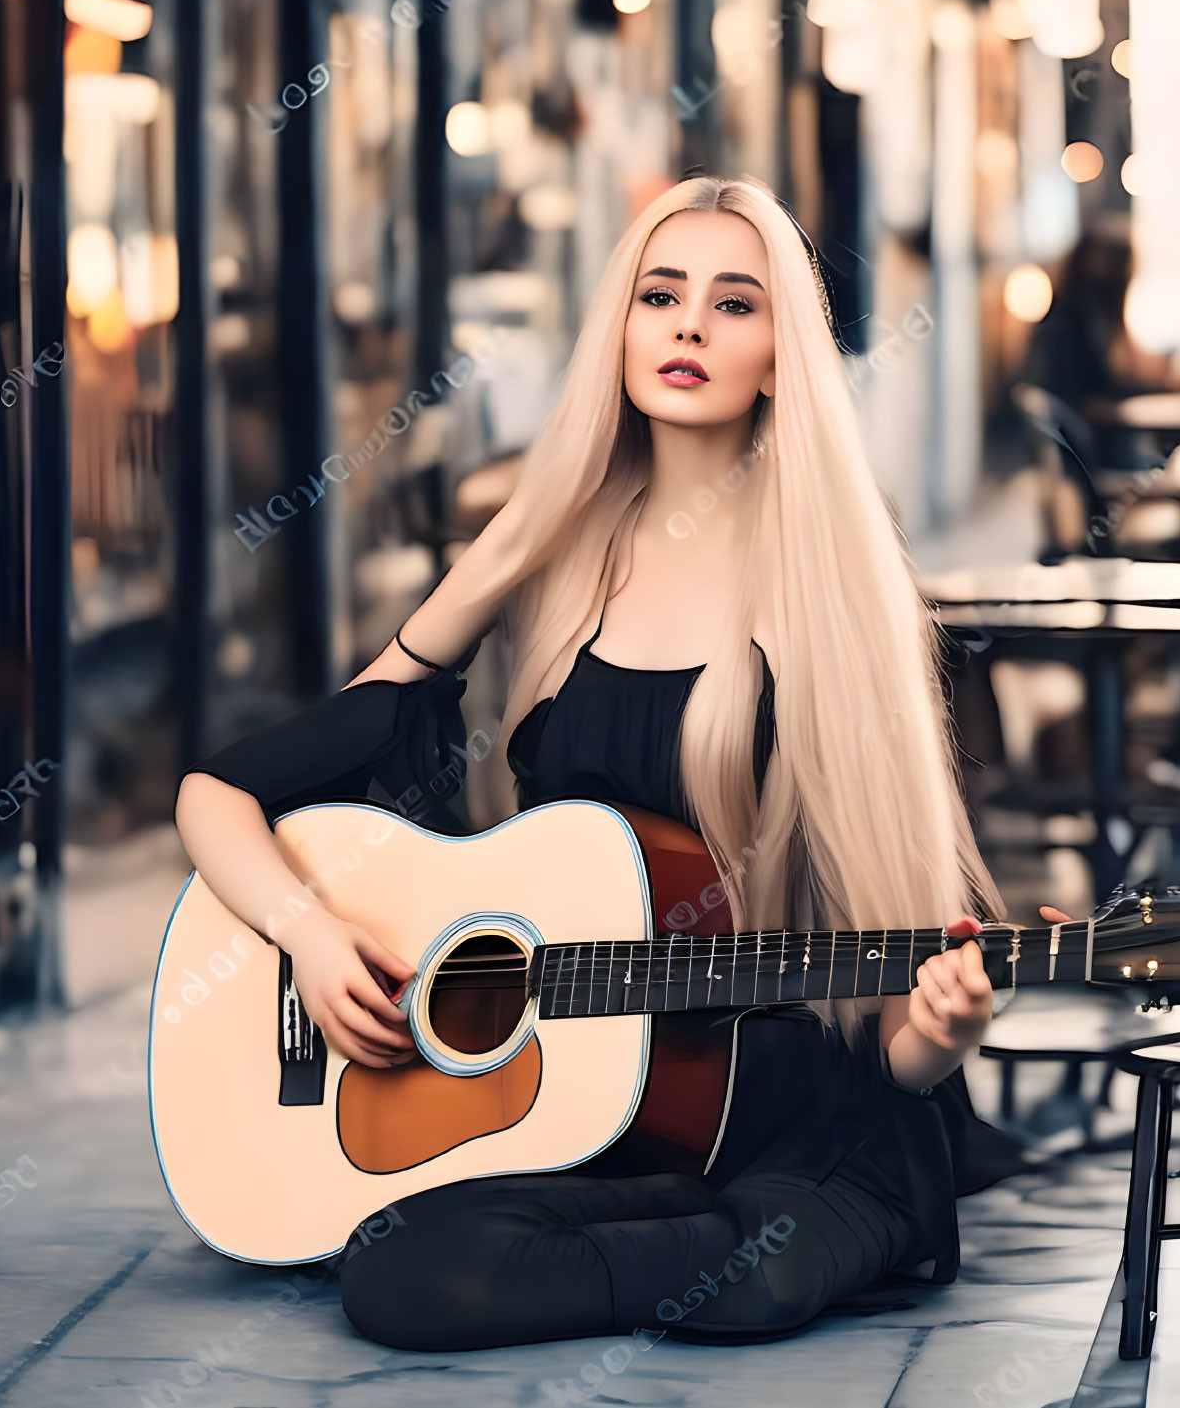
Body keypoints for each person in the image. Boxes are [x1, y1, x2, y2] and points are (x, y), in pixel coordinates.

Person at [175, 173, 1061, 1352]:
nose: (690, 326)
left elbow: (894, 1037)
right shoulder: (548, 567)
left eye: (735, 304)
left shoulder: (833, 594)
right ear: (621, 330)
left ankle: (743, 1242)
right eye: (660, 294)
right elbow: (221, 795)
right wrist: (312, 932)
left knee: (752, 1280)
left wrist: (945, 1029)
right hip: (601, 1113)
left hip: (798, 1119)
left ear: (785, 357)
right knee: (406, 1275)